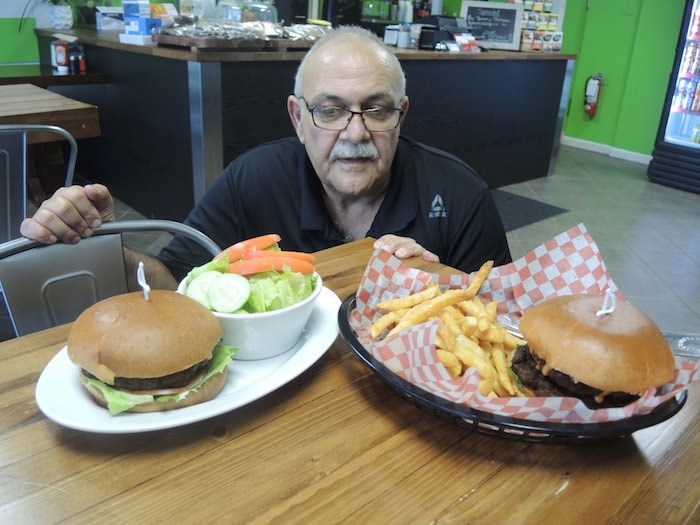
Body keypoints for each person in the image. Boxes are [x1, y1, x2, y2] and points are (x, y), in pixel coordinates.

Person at [20, 26, 511, 291]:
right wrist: (105, 249)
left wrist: (439, 288)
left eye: (376, 110)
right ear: (297, 118)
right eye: (330, 110)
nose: (354, 133)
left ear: (401, 116)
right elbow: (172, 282)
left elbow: (500, 319)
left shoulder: (461, 196)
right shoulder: (253, 180)